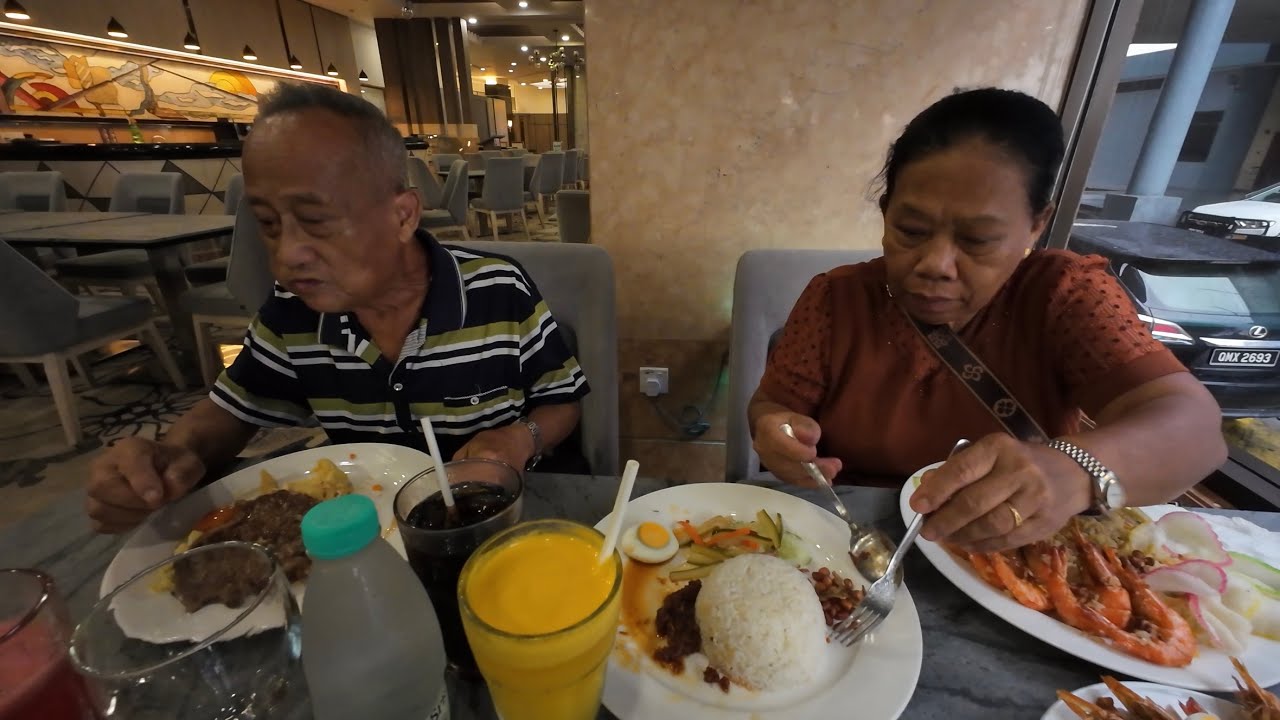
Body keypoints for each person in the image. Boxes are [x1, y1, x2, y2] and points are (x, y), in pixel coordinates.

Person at [87, 84, 588, 534]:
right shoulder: (294, 312)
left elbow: (563, 399)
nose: (286, 255)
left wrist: (519, 438)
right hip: (370, 534)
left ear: (402, 215)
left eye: (316, 221)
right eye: (268, 224)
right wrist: (174, 457)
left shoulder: (495, 290)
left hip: (504, 521)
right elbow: (231, 413)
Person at [749, 88, 1226, 554]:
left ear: (1036, 224)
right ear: (885, 211)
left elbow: (1197, 431)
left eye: (977, 239)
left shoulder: (1063, 295)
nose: (935, 263)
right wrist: (776, 432)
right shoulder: (837, 298)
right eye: (911, 230)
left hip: (1014, 556)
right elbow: (772, 407)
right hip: (844, 546)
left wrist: (1071, 472)